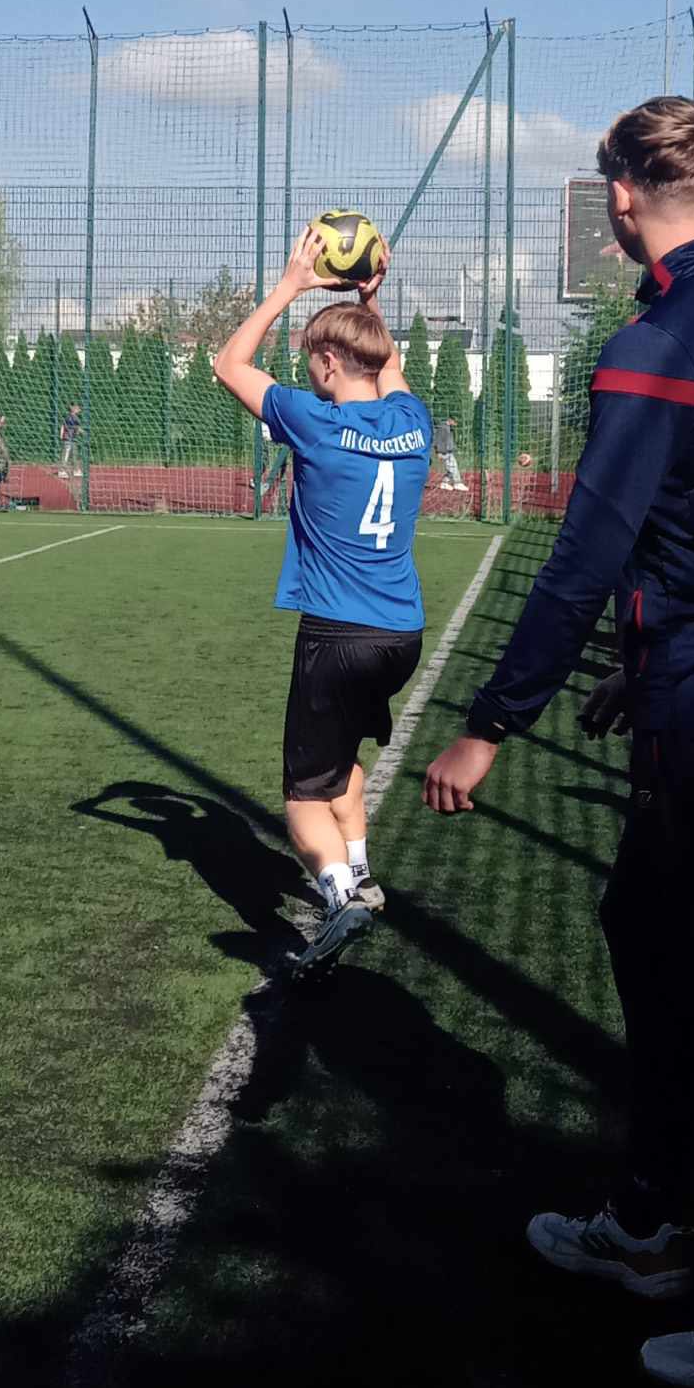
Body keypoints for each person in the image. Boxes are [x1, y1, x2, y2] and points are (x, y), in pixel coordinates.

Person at [424, 97, 694, 1388]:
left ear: (618, 198)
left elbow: (584, 556)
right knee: (640, 925)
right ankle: (650, 1217)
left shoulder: (650, 345)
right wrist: (646, 663)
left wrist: (490, 724)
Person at [213, 226, 430, 984]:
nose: (307, 370)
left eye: (310, 358)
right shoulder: (412, 424)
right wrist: (370, 302)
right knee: (342, 764)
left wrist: (292, 284)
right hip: (401, 634)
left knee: (304, 797)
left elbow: (228, 364)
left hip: (338, 634)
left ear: (331, 362)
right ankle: (361, 871)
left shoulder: (315, 421)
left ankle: (341, 896)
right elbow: (390, 366)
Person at [435, 416, 465, 490]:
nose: (456, 424)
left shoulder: (449, 428)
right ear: (450, 420)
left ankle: (444, 483)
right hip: (444, 452)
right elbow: (438, 440)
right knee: (453, 467)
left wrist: (455, 448)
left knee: (451, 468)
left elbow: (450, 441)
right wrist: (439, 452)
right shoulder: (443, 427)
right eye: (455, 422)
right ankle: (457, 483)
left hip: (449, 451)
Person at [58, 403, 82, 477]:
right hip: (68, 438)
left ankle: (76, 470)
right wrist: (82, 432)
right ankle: (62, 471)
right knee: (66, 454)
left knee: (74, 454)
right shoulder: (71, 418)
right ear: (74, 410)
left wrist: (61, 434)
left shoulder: (72, 417)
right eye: (78, 408)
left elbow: (64, 426)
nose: (80, 410)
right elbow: (76, 428)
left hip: (73, 439)